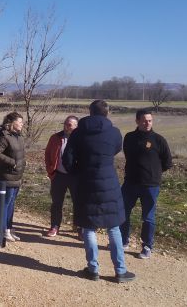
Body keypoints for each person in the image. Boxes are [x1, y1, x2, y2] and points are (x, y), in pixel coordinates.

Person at [62, 100, 135, 283]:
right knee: (114, 227)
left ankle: (93, 269)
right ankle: (120, 271)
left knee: (88, 227)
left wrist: (79, 172)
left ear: (90, 111)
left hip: (86, 183)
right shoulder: (114, 132)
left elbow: (67, 160)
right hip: (109, 182)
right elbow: (116, 148)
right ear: (107, 113)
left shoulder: (78, 133)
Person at [120, 109, 172, 259]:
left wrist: (153, 173)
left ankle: (147, 246)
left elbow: (167, 163)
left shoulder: (159, 140)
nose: (147, 123)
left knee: (148, 217)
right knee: (123, 212)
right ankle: (124, 241)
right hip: (130, 183)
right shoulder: (129, 137)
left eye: (150, 120)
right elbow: (128, 155)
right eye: (144, 120)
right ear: (137, 121)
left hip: (150, 185)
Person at [44, 115, 80, 237]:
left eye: (69, 124)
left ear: (76, 126)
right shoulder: (55, 138)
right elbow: (48, 154)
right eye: (65, 123)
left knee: (78, 202)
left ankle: (79, 228)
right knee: (56, 202)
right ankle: (55, 226)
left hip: (76, 177)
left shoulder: (82, 139)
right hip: (58, 176)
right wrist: (50, 170)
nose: (66, 126)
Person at [0, 111, 26, 242]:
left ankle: (8, 229)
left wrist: (22, 163)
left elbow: (20, 154)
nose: (22, 124)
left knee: (11, 204)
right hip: (6, 177)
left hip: (17, 176)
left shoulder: (19, 136)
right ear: (11, 123)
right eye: (20, 121)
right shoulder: (4, 136)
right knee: (5, 204)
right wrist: (13, 163)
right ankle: (2, 230)